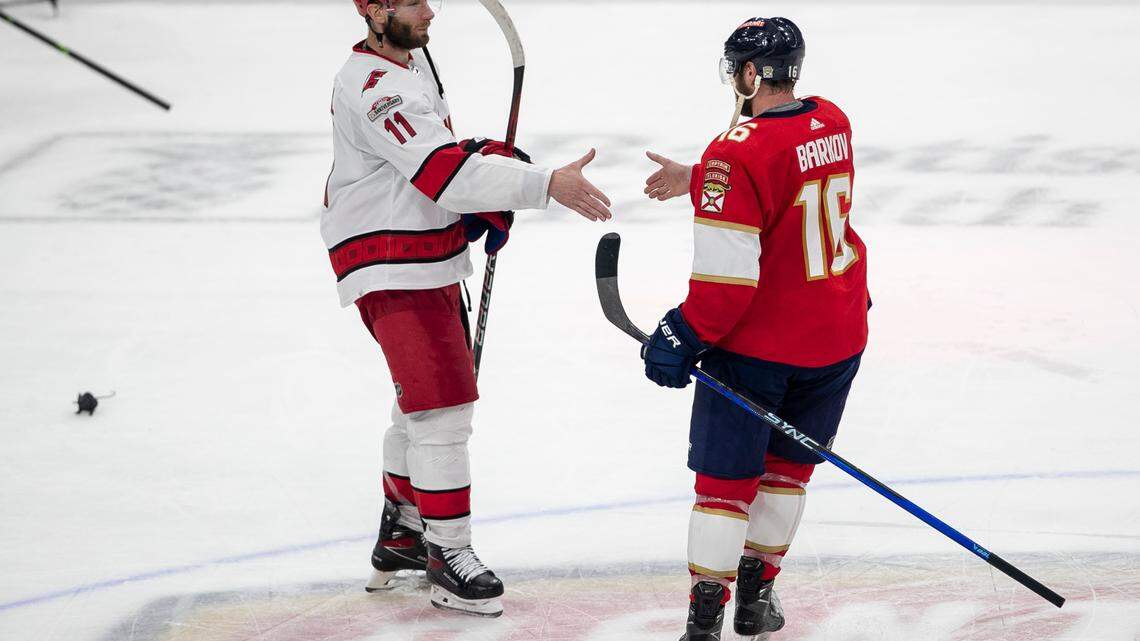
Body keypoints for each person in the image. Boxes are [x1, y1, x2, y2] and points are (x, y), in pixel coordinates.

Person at [324, 0, 612, 618]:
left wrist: (483, 168)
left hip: (422, 252)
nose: (432, 11)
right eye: (412, 1)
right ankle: (447, 557)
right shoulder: (372, 86)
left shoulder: (410, 58)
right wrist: (539, 184)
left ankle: (403, 534)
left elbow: (438, 162)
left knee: (420, 401)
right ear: (372, 9)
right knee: (444, 410)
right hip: (390, 261)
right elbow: (438, 174)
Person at [639, 16, 869, 640]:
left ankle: (707, 617)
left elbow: (725, 285)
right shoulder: (834, 121)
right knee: (788, 473)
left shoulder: (732, 151)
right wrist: (703, 179)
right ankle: (756, 599)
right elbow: (788, 186)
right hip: (837, 336)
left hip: (759, 350)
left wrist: (680, 335)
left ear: (745, 72)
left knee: (724, 486)